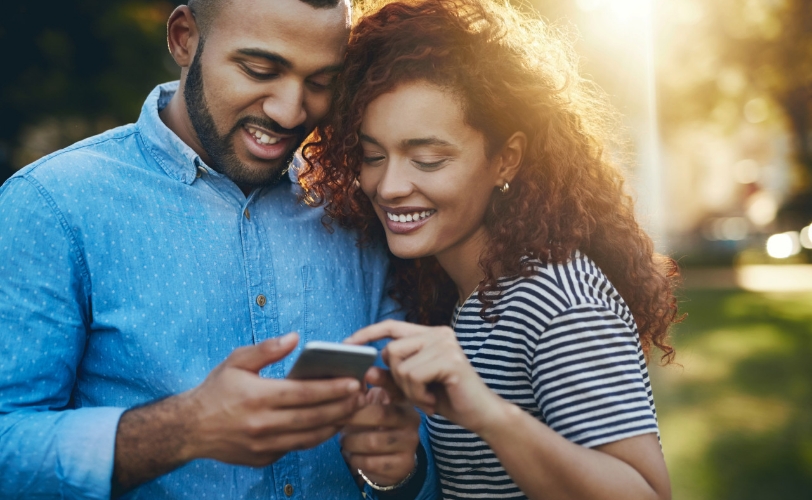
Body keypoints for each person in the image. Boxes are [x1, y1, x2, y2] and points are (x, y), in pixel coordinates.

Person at [0, 0, 438, 498]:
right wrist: (181, 430)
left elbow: (417, 455)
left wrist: (396, 471)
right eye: (259, 70)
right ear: (184, 38)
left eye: (321, 82)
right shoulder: (52, 206)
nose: (290, 111)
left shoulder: (355, 210)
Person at [300, 0, 681, 498]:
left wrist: (485, 412)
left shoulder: (558, 301)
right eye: (373, 155)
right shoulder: (453, 290)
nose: (389, 185)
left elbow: (646, 492)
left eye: (429, 159)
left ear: (507, 160)